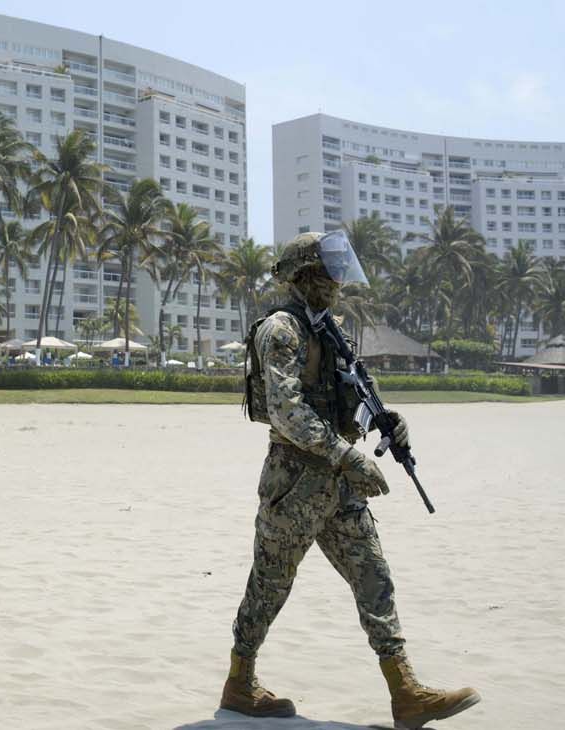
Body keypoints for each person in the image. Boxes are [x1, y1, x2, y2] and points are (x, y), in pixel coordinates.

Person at [221, 231, 479, 728]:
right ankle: (239, 681)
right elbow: (286, 411)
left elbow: (354, 391)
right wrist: (347, 456)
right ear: (306, 275)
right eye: (330, 272)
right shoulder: (281, 329)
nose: (339, 282)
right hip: (294, 482)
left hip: (338, 486)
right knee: (270, 586)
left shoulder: (331, 330)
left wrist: (387, 421)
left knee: (374, 578)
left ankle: (406, 693)